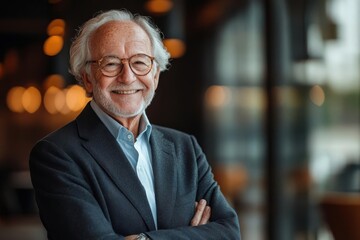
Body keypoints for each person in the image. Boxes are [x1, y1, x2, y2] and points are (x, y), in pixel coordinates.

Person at [29, 9, 240, 240]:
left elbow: (228, 231)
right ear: (88, 78)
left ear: (156, 76)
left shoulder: (185, 147)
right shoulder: (56, 155)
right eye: (110, 64)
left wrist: (143, 239)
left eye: (140, 62)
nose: (128, 77)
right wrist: (193, 235)